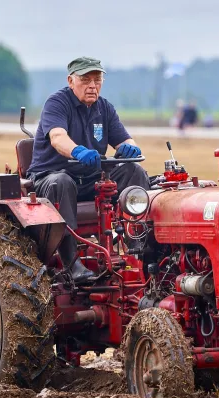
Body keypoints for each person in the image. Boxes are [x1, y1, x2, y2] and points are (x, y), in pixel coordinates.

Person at [27, 57, 149, 282]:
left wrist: (130, 148)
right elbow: (57, 137)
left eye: (97, 79)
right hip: (50, 177)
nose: (92, 85)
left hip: (89, 178)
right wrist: (77, 151)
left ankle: (137, 243)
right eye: (85, 80)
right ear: (71, 81)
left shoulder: (104, 108)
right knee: (62, 181)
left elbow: (124, 140)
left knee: (134, 171)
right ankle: (71, 263)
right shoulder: (57, 103)